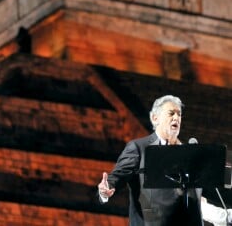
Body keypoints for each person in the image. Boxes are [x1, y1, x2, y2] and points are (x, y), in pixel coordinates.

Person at [97, 95, 231, 226]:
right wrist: (106, 188)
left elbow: (204, 192)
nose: (176, 118)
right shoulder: (139, 148)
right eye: (171, 113)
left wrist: (224, 216)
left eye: (179, 114)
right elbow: (118, 176)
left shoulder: (189, 153)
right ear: (155, 118)